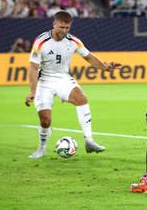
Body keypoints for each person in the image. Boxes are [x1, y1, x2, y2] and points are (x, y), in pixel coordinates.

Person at [25, 10, 121, 158]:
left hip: (63, 78)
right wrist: (33, 91)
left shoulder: (74, 41)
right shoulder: (41, 42)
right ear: (54, 24)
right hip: (44, 81)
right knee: (45, 120)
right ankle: (41, 148)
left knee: (81, 98)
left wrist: (105, 67)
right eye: (61, 27)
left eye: (67, 28)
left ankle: (89, 141)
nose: (64, 31)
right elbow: (33, 67)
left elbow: (89, 57)